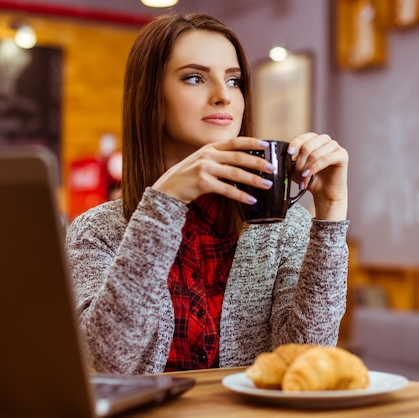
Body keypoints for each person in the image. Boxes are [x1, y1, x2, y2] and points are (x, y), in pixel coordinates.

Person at [65, 13, 350, 374]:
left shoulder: (286, 227)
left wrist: (331, 209)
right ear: (150, 95)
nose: (223, 97)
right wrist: (164, 203)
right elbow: (106, 363)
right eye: (195, 78)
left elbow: (305, 364)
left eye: (234, 81)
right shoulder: (97, 231)